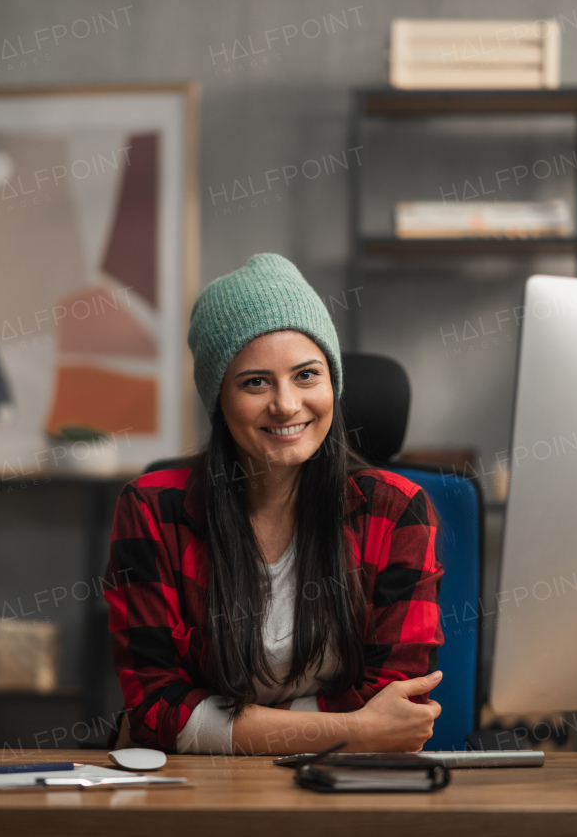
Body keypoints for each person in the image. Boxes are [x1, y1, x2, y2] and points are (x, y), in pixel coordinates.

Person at [105, 253, 444, 754]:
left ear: (333, 383)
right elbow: (156, 711)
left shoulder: (396, 511)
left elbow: (396, 706)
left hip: (343, 788)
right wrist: (354, 729)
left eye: (306, 375)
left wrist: (210, 724)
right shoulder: (154, 511)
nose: (286, 404)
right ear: (219, 399)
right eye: (255, 382)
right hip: (202, 794)